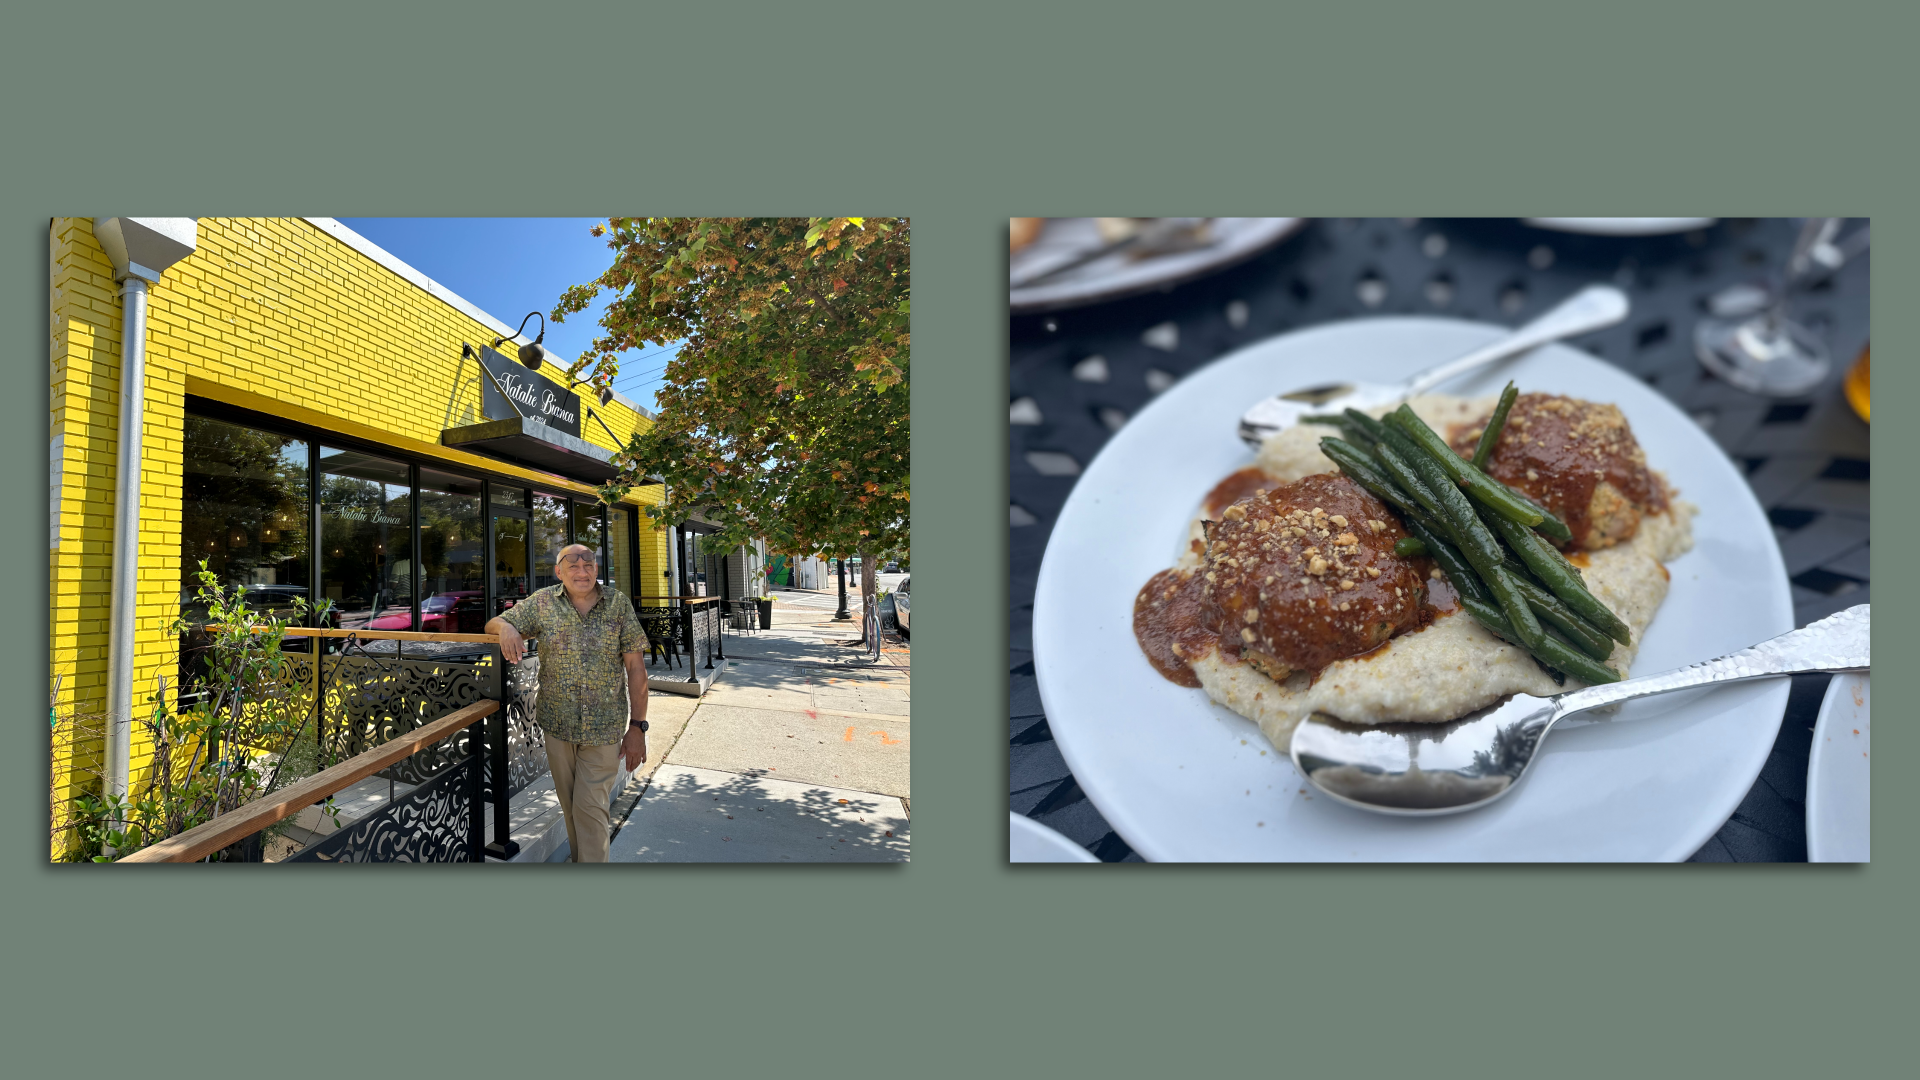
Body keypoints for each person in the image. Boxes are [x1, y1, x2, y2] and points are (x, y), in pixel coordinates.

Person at [486, 543, 648, 863]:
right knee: (573, 808)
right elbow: (494, 623)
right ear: (558, 572)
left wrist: (637, 727)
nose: (582, 571)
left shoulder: (618, 605)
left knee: (589, 809)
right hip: (557, 726)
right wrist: (505, 628)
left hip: (604, 728)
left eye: (588, 564)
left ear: (597, 569)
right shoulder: (543, 603)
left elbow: (636, 668)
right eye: (572, 565)